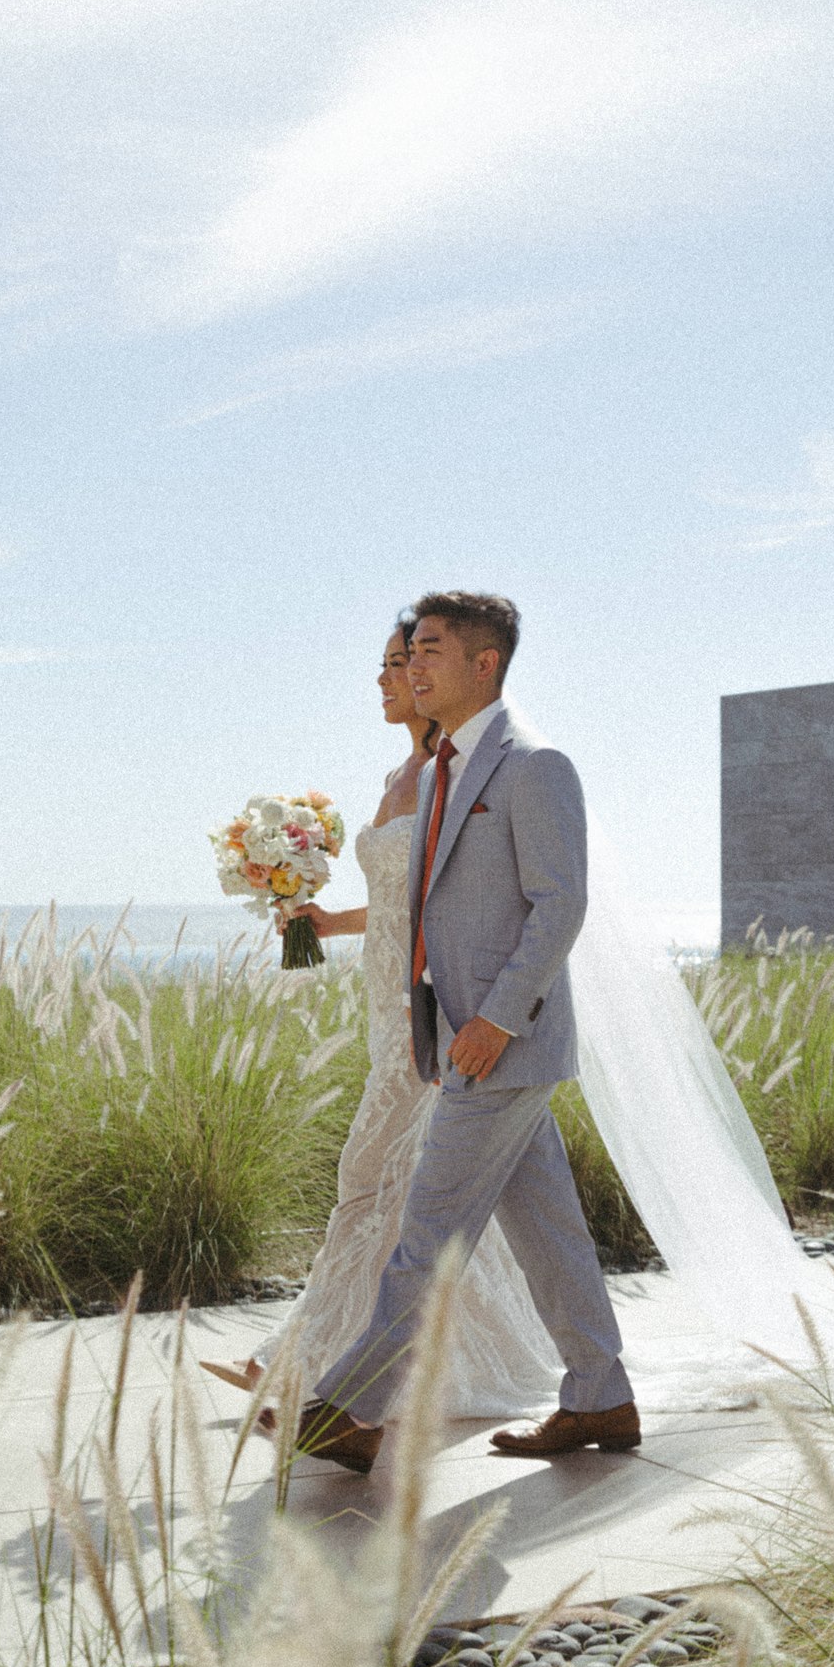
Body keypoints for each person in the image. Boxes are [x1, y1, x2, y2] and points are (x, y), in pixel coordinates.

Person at [287, 593, 640, 1477]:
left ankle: (348, 1408)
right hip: (446, 1036)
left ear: (485, 663)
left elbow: (560, 904)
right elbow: (423, 905)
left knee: (428, 1228)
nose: (412, 666)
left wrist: (492, 1021)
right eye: (410, 652)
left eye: (430, 650)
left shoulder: (535, 766)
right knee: (550, 1231)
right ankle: (602, 1396)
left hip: (499, 1042)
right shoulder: (439, 770)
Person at [200, 616, 562, 1419]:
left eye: (405, 663)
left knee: (375, 1177)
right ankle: (345, 1358)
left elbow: (474, 900)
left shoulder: (467, 774)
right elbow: (408, 894)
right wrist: (326, 921)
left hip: (433, 1005)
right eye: (389, 664)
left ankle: (312, 1367)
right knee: (398, 1184)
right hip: (385, 996)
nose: (388, 679)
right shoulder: (404, 775)